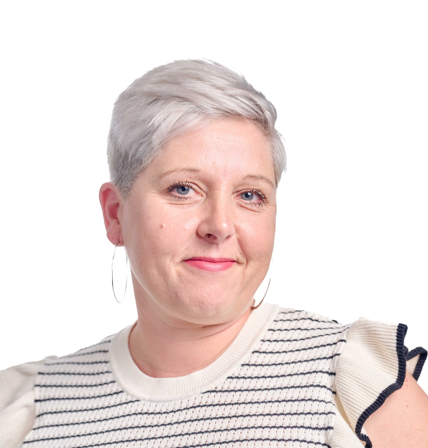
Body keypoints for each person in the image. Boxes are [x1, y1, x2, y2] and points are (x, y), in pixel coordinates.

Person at [1, 59, 427, 448]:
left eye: (250, 195)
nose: (220, 226)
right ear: (115, 214)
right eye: (183, 189)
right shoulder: (26, 409)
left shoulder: (349, 382)